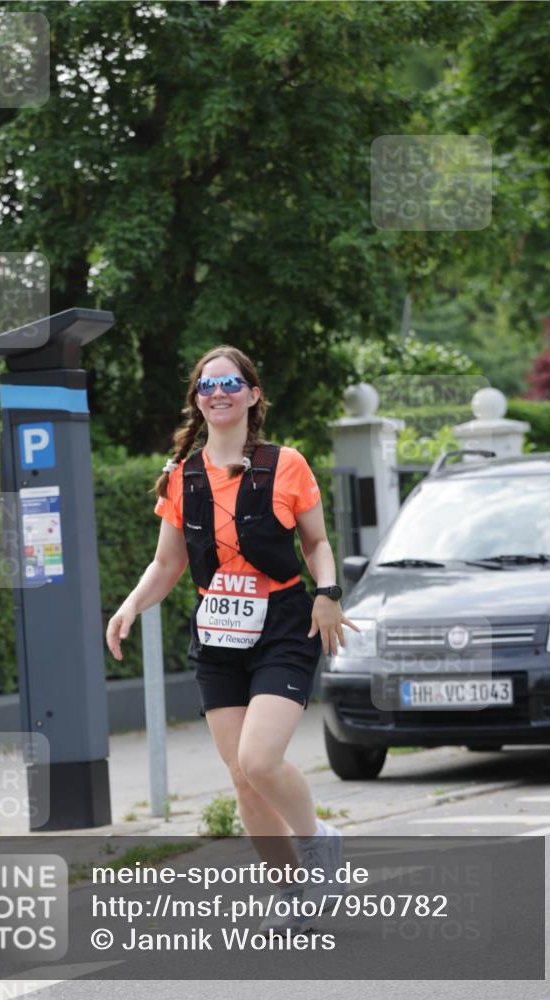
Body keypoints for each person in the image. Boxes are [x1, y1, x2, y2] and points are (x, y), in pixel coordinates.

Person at [106, 345, 361, 935]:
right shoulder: (182, 476)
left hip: (283, 625)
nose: (217, 393)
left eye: (229, 383)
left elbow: (316, 543)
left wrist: (328, 592)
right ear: (197, 400)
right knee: (241, 777)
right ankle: (291, 892)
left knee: (259, 759)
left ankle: (318, 840)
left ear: (252, 394)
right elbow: (167, 563)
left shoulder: (286, 464)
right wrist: (130, 604)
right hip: (218, 632)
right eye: (206, 385)